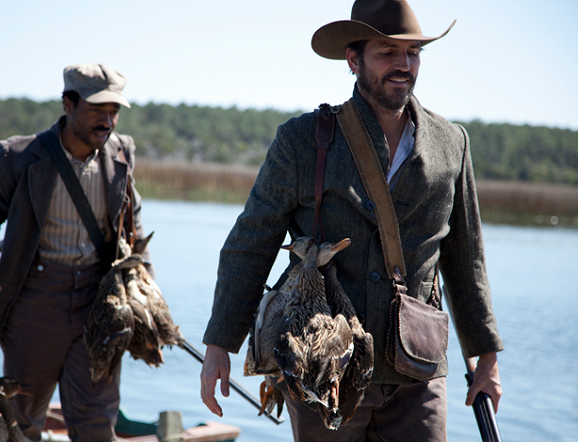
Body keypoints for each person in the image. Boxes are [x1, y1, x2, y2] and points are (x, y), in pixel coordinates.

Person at [200, 1, 504, 441]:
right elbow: (250, 244)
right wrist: (219, 347)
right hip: (323, 370)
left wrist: (487, 358)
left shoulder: (451, 143)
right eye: (387, 52)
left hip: (418, 371)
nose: (404, 65)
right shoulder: (302, 141)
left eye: (413, 52)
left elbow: (466, 261)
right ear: (353, 59)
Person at [0, 63, 151, 442]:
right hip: (34, 302)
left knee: (97, 422)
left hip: (100, 304)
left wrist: (145, 288)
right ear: (68, 103)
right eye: (97, 110)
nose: (107, 120)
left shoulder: (122, 153)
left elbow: (134, 223)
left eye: (114, 111)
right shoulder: (20, 155)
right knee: (21, 420)